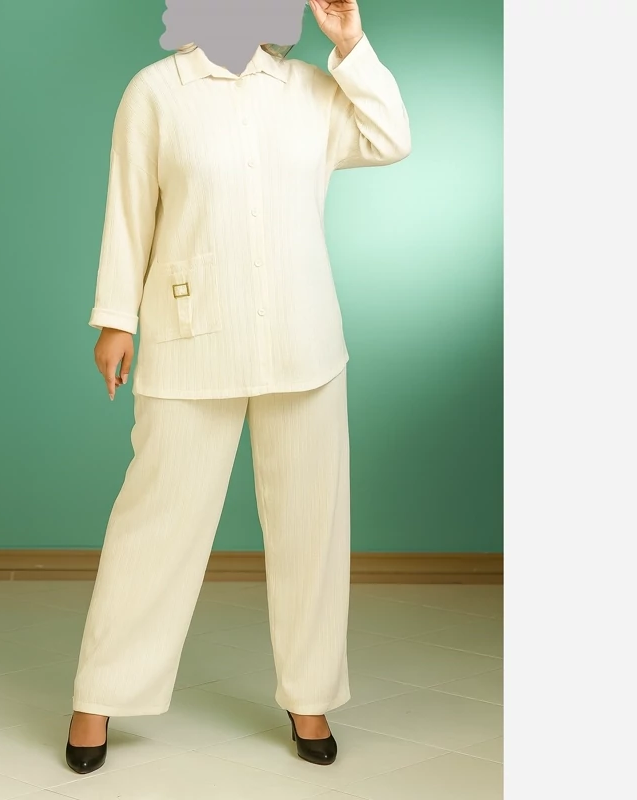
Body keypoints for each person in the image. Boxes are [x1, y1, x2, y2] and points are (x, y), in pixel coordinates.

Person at [66, 0, 411, 773]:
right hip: (192, 336)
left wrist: (350, 44)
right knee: (154, 524)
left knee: (311, 530)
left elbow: (391, 137)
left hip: (303, 341)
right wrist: (115, 318)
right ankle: (99, 695)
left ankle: (309, 694)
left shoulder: (309, 90)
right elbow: (129, 208)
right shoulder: (155, 91)